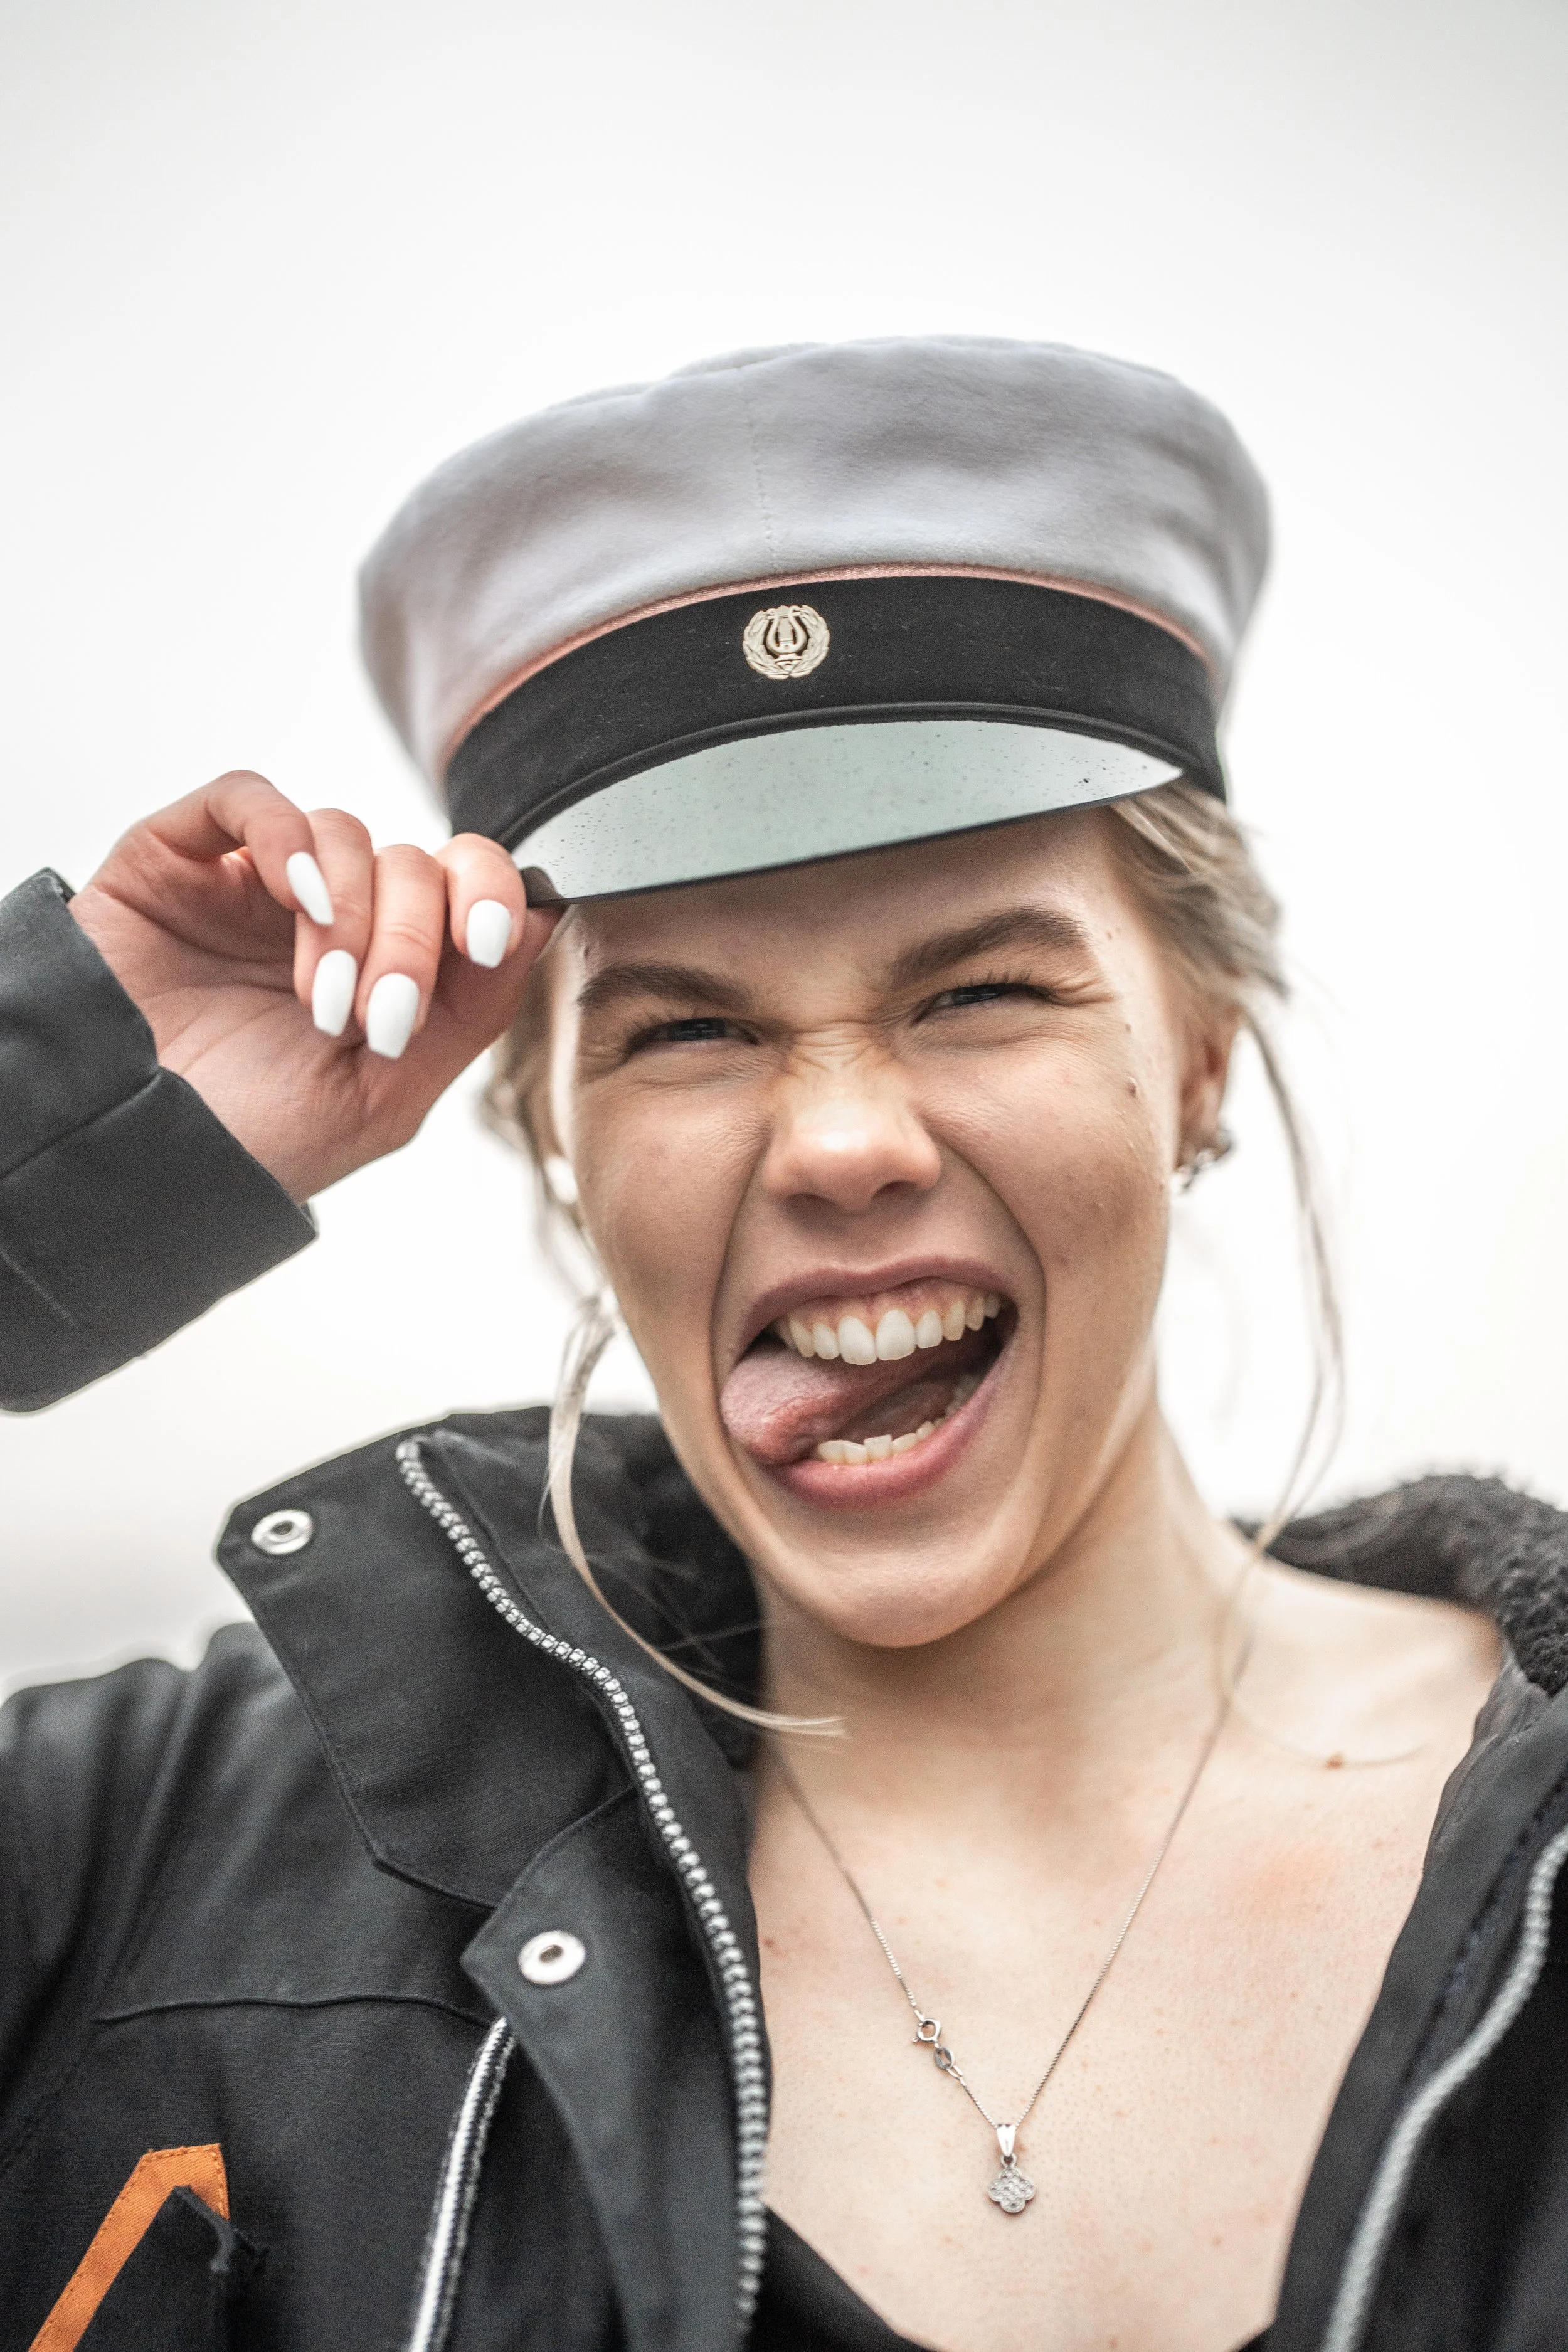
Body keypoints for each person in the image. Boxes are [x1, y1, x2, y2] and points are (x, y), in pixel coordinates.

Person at [1, 337, 1564, 2352]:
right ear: (557, 1134)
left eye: (980, 990)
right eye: (690, 1026)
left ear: (1192, 1056)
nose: (838, 1141)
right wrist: (43, 1160)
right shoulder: (157, 1860)